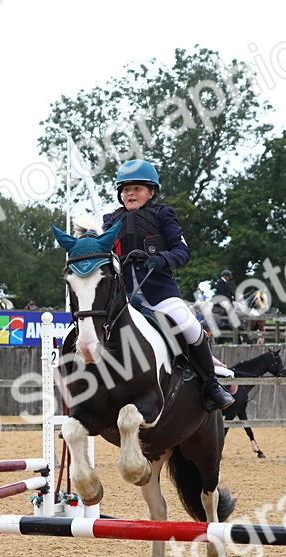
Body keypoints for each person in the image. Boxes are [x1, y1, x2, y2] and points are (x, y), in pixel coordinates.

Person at [102, 159, 233, 411]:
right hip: (123, 297)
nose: (130, 193)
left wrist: (162, 258)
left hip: (159, 293)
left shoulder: (163, 214)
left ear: (151, 192)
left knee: (191, 328)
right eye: (126, 189)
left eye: (137, 188)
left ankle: (211, 385)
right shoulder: (110, 221)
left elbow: (182, 252)